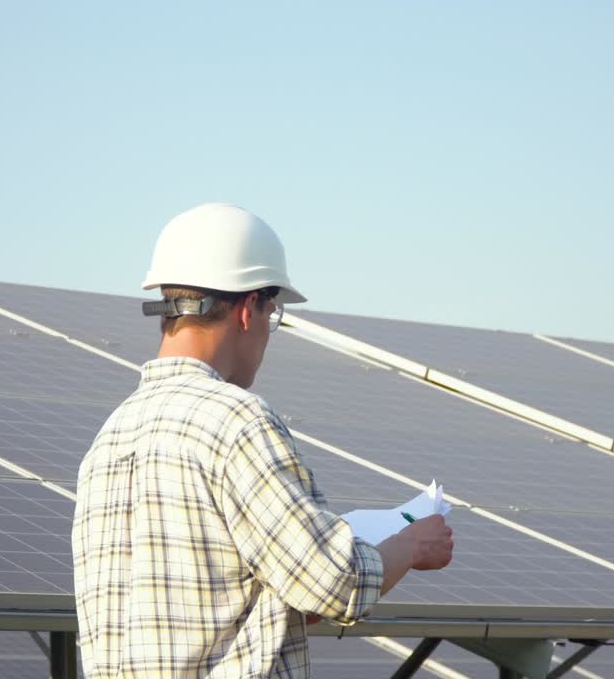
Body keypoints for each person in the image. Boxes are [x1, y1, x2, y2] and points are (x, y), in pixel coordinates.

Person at [72, 203, 454, 678]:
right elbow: (335, 581)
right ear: (250, 309)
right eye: (274, 313)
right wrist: (412, 545)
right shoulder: (236, 421)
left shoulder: (107, 442)